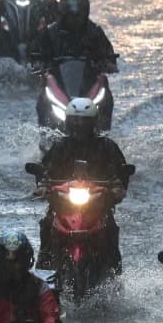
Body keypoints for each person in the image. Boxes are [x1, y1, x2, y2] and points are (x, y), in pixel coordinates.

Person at [34, 97, 130, 272]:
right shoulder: (59, 146)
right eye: (76, 121)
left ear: (93, 122)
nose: (80, 126)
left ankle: (114, 271)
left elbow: (119, 172)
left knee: (110, 227)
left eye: (84, 122)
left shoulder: (106, 146)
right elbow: (46, 170)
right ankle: (43, 270)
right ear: (69, 122)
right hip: (63, 205)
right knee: (47, 224)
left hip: (97, 207)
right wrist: (43, 185)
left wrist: (118, 188)